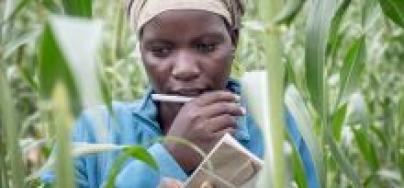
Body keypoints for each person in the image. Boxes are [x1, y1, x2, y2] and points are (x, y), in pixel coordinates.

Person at [42, 0, 319, 187]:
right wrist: (170, 155)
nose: (185, 69)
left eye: (206, 46)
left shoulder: (275, 122)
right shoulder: (91, 132)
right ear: (141, 50)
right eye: (161, 50)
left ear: (233, 40)